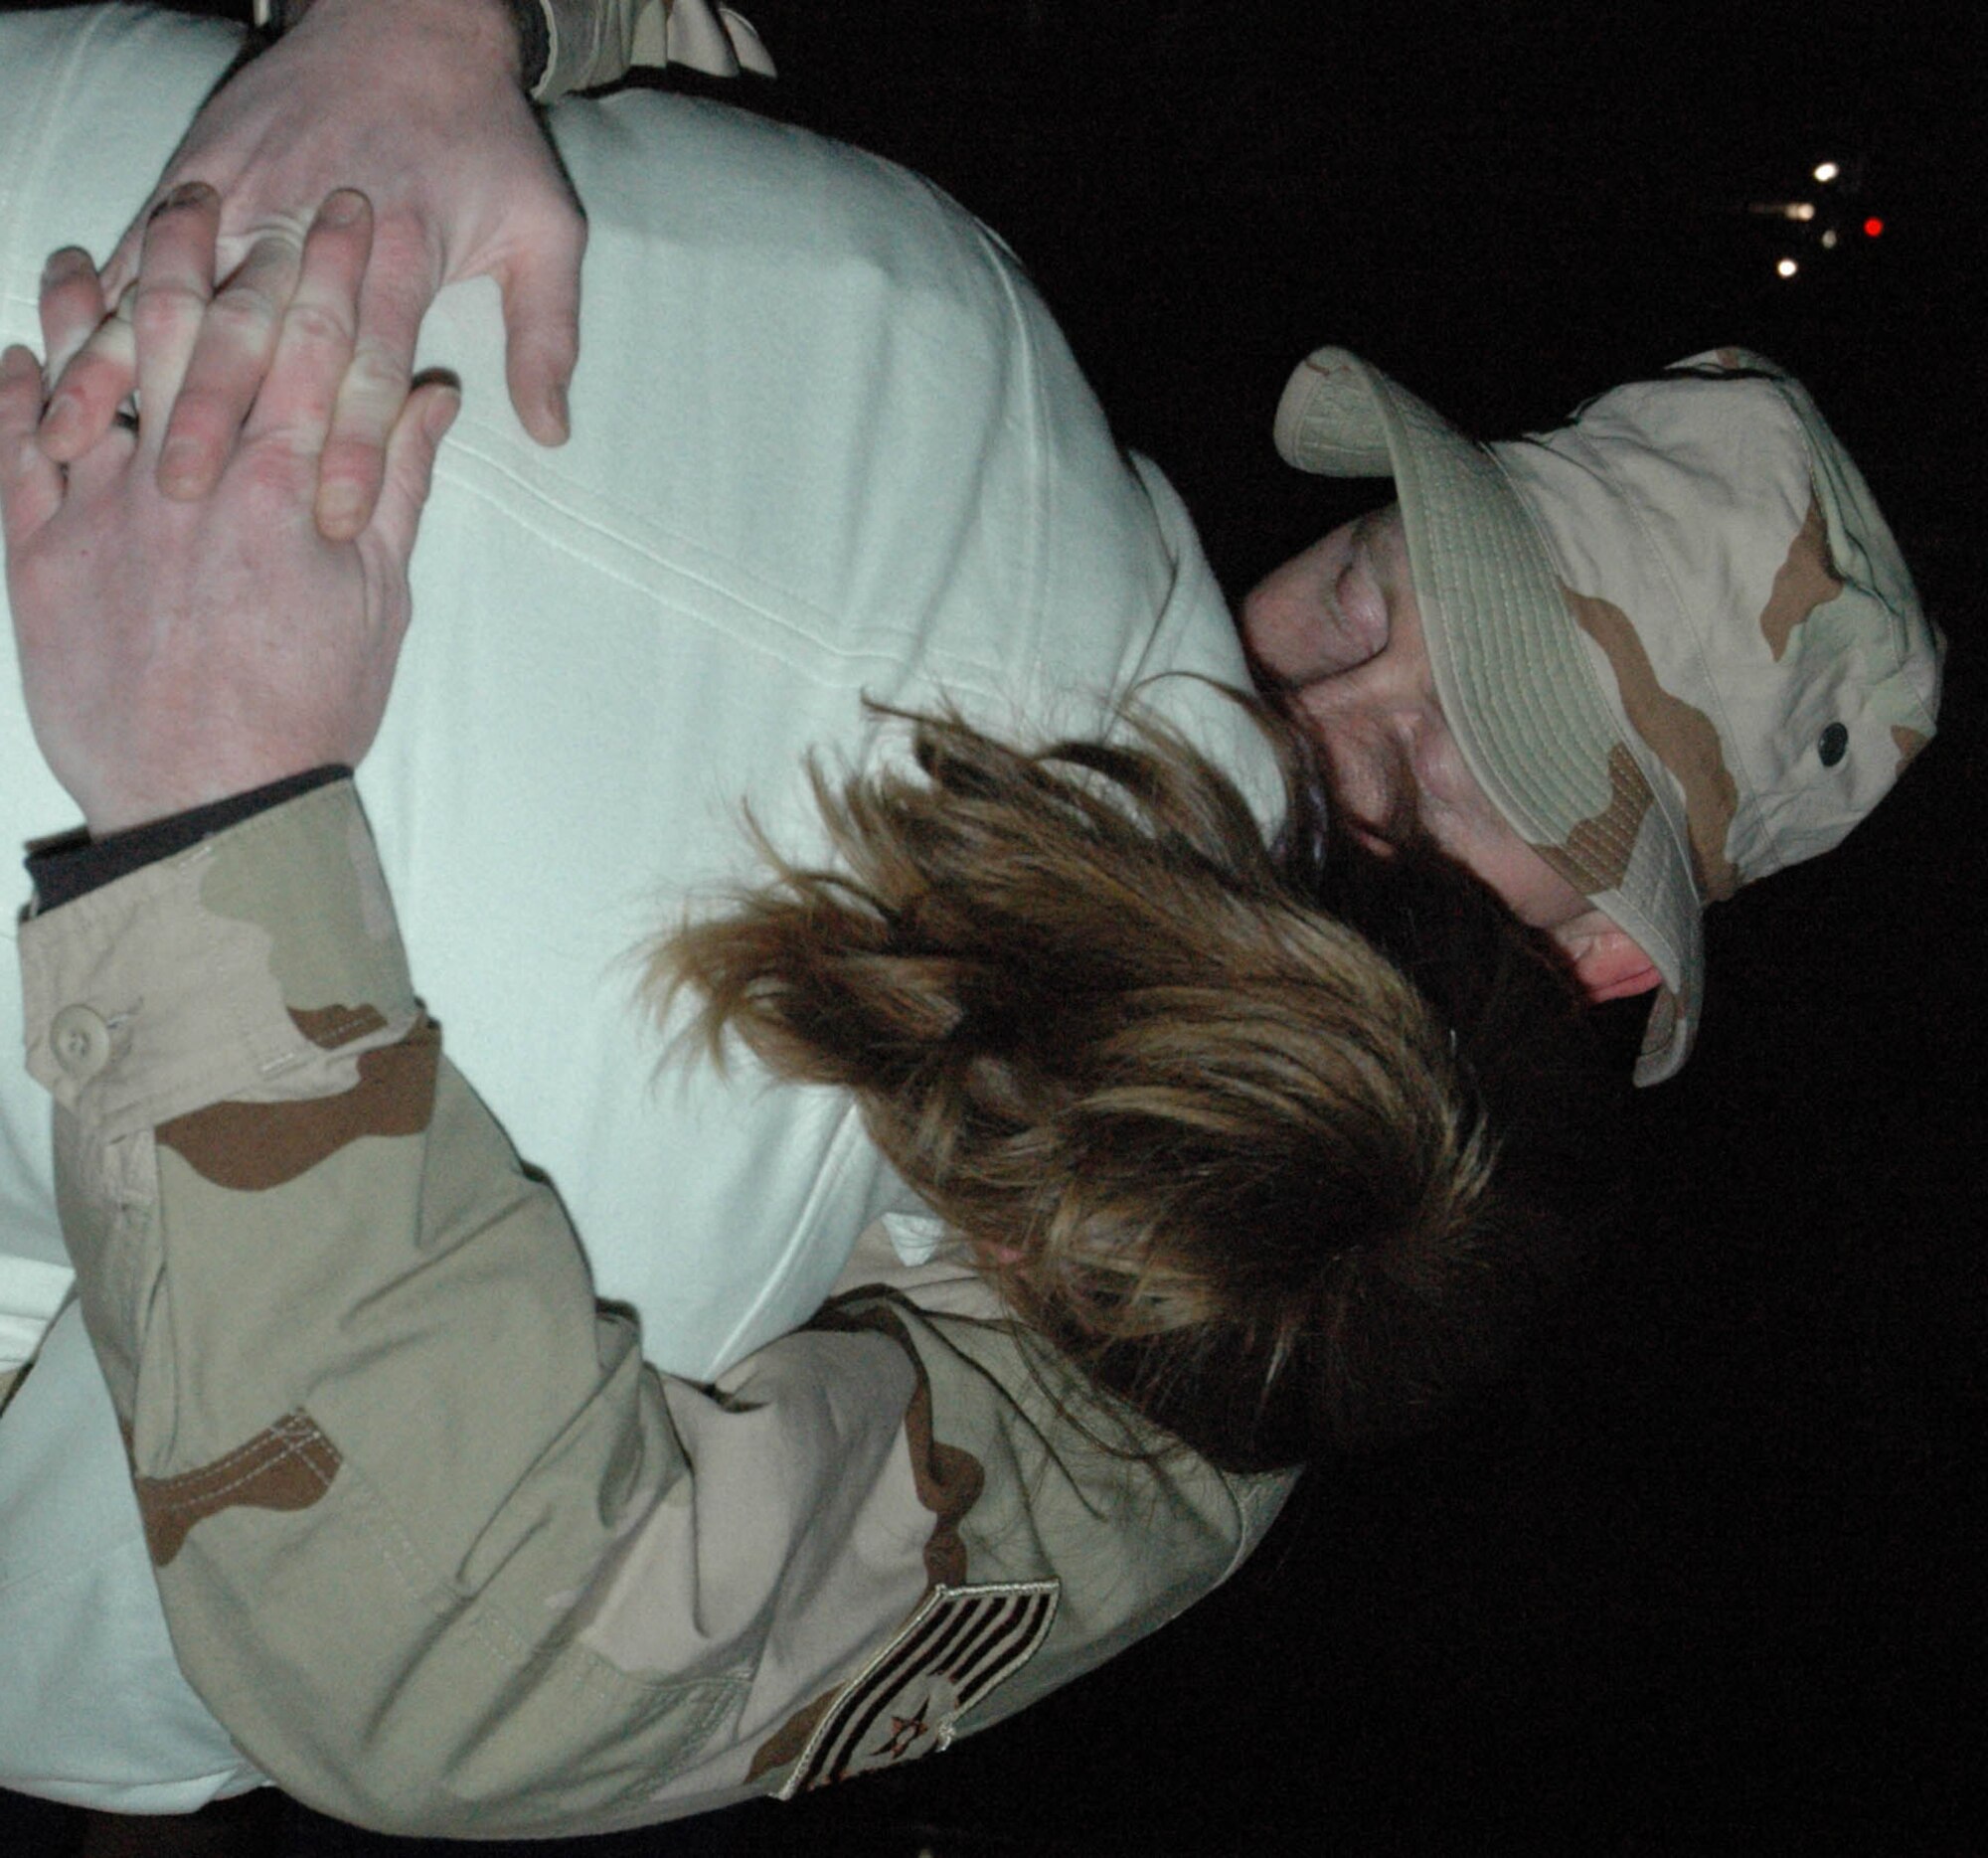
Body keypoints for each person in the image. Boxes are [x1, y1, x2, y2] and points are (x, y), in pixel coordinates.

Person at [0, 0, 1940, 1836]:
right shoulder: (1015, 470)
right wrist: (432, 36)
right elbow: (701, 73)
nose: (1330, 712)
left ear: (1598, 958)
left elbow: (519, 1654)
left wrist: (216, 824)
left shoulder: (1212, 1381)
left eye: (1475, 758)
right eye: (1371, 590)